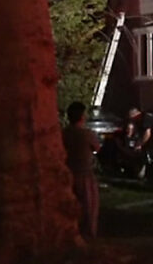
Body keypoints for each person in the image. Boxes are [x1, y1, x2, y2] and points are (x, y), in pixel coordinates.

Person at [62, 101, 101, 239]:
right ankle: (88, 234)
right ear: (82, 116)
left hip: (69, 173)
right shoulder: (86, 134)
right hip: (84, 174)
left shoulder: (64, 133)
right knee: (88, 206)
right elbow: (97, 148)